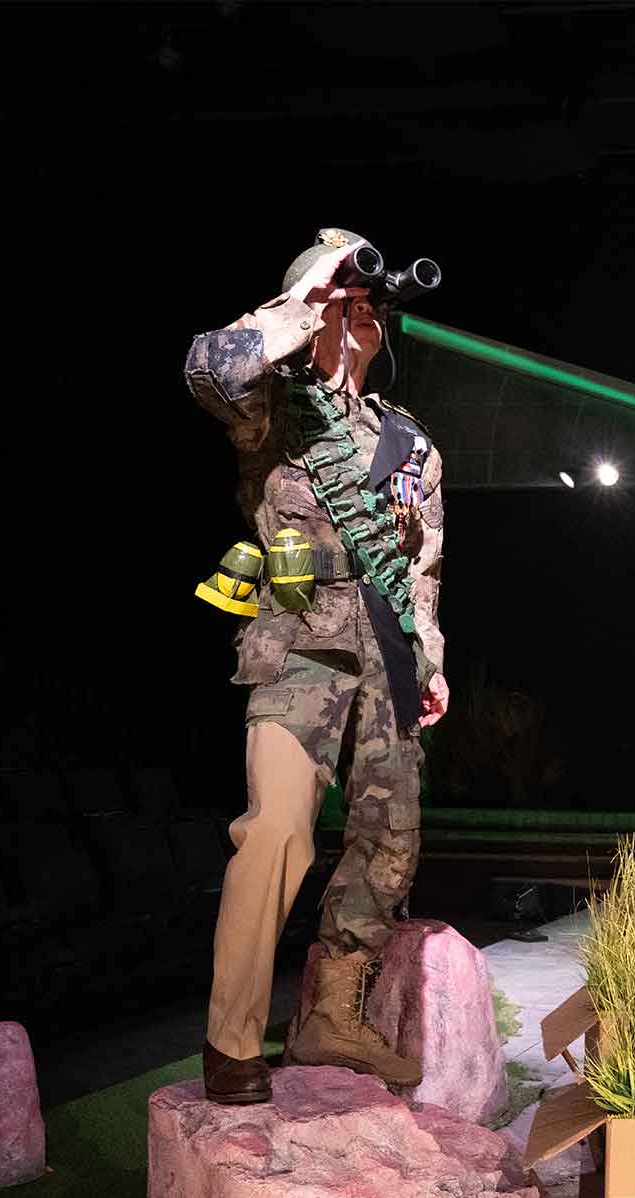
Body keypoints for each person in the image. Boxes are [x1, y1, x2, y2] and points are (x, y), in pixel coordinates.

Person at [184, 229, 449, 1104]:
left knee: (388, 848)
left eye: (372, 306)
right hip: (300, 644)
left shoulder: (411, 443)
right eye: (349, 301)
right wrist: (305, 302)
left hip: (390, 659)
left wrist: (431, 657)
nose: (363, 313)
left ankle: (331, 1016)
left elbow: (424, 567)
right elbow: (207, 367)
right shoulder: (272, 407)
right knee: (277, 831)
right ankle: (232, 1040)